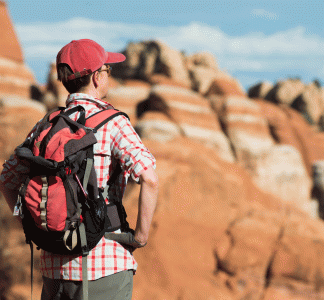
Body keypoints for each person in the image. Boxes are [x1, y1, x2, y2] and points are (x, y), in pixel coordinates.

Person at [0, 39, 159, 300]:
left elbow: (7, 180)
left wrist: (31, 225)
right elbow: (149, 180)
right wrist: (140, 237)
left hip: (54, 270)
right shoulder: (113, 122)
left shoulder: (46, 125)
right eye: (107, 70)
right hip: (104, 267)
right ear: (97, 77)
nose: (109, 75)